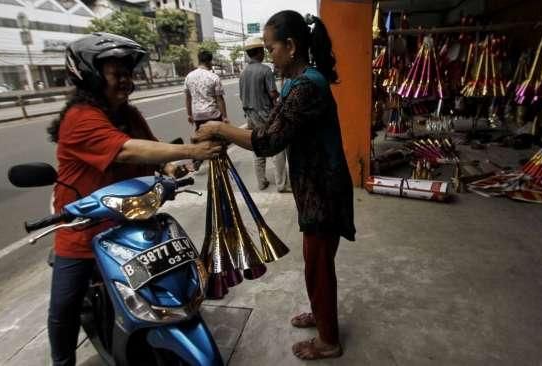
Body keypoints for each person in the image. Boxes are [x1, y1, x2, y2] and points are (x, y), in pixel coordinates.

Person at [46, 32, 222, 366]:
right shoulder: (80, 118)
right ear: (92, 76)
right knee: (63, 307)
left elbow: (151, 146)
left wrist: (169, 164)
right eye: (117, 73)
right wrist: (191, 149)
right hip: (84, 228)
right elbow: (127, 150)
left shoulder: (129, 113)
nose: (126, 81)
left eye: (128, 73)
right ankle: (61, 361)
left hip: (130, 220)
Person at [194, 11, 355, 360]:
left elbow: (268, 141)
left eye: (271, 48)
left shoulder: (306, 86)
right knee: (318, 262)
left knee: (318, 265)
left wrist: (222, 130)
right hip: (320, 187)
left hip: (322, 192)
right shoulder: (301, 81)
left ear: (292, 46)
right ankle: (321, 312)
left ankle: (329, 340)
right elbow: (274, 128)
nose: (270, 56)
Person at [239, 37, 289, 191]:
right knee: (278, 147)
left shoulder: (243, 72)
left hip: (250, 116)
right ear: (260, 52)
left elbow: (242, 96)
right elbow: (273, 94)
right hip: (265, 115)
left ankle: (261, 181)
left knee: (257, 146)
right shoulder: (265, 70)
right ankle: (281, 184)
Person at [184, 49, 228, 129]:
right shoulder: (214, 77)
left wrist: (189, 115)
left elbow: (188, 98)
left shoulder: (188, 77)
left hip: (197, 116)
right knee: (218, 139)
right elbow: (219, 99)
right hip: (213, 115)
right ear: (209, 61)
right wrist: (224, 117)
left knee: (202, 137)